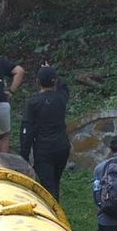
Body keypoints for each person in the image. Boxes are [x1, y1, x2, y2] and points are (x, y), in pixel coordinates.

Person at [20, 66, 71, 201]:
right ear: (54, 82)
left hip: (44, 148)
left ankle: (54, 212)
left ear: (37, 82)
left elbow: (27, 128)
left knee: (48, 185)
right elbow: (64, 86)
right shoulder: (61, 98)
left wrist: (24, 154)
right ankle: (56, 205)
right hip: (62, 146)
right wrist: (52, 71)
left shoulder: (33, 103)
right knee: (56, 180)